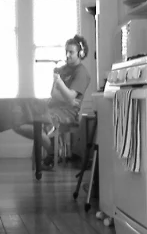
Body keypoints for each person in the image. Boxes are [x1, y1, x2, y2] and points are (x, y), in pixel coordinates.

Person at [12, 34, 91, 169]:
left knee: (40, 124)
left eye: (71, 52)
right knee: (18, 122)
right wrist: (67, 98)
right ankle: (53, 151)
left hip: (67, 113)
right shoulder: (62, 69)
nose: (67, 55)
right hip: (50, 107)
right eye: (66, 51)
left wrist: (62, 87)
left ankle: (51, 153)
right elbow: (54, 93)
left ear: (80, 53)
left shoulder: (82, 72)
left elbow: (71, 97)